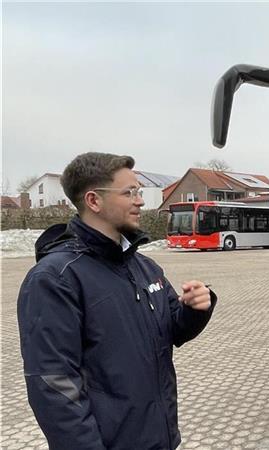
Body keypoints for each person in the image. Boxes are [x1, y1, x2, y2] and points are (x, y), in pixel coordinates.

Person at [17, 152, 216, 450]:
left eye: (138, 191)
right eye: (130, 192)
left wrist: (195, 308)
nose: (140, 201)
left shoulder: (143, 266)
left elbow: (172, 329)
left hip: (159, 439)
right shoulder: (56, 279)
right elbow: (54, 386)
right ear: (94, 201)